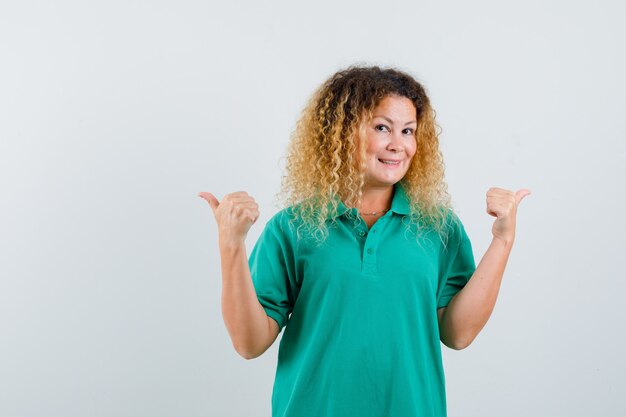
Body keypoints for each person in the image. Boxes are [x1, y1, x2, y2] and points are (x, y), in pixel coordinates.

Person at [199, 64, 530, 417]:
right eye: (382, 127)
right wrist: (231, 245)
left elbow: (458, 334)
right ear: (342, 132)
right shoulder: (293, 228)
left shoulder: (438, 227)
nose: (397, 145)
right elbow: (249, 343)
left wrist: (502, 240)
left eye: (408, 130)